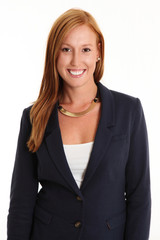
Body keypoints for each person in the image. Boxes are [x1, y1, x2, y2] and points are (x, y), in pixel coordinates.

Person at [7, 8, 151, 240]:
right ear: (54, 53)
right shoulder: (34, 117)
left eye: (85, 49)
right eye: (66, 50)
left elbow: (139, 197)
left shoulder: (129, 111)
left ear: (98, 52)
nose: (76, 61)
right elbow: (21, 203)